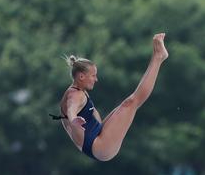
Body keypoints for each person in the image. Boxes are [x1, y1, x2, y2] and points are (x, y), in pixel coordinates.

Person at [55, 33, 168, 162]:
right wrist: (74, 120)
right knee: (131, 102)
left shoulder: (79, 90)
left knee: (127, 103)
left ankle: (158, 57)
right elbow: (71, 109)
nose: (96, 79)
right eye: (93, 75)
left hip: (97, 138)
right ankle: (158, 56)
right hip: (99, 146)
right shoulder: (74, 95)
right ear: (81, 76)